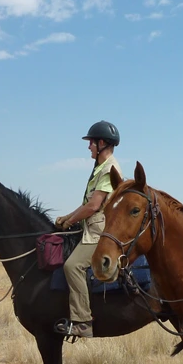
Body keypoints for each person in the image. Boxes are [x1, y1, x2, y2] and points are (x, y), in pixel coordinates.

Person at [54, 120, 123, 338]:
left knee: (72, 266)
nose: (89, 147)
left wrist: (71, 220)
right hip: (89, 226)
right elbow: (88, 203)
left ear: (101, 143)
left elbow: (94, 206)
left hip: (99, 231)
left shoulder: (109, 169)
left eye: (91, 143)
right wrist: (68, 217)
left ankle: (83, 321)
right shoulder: (100, 168)